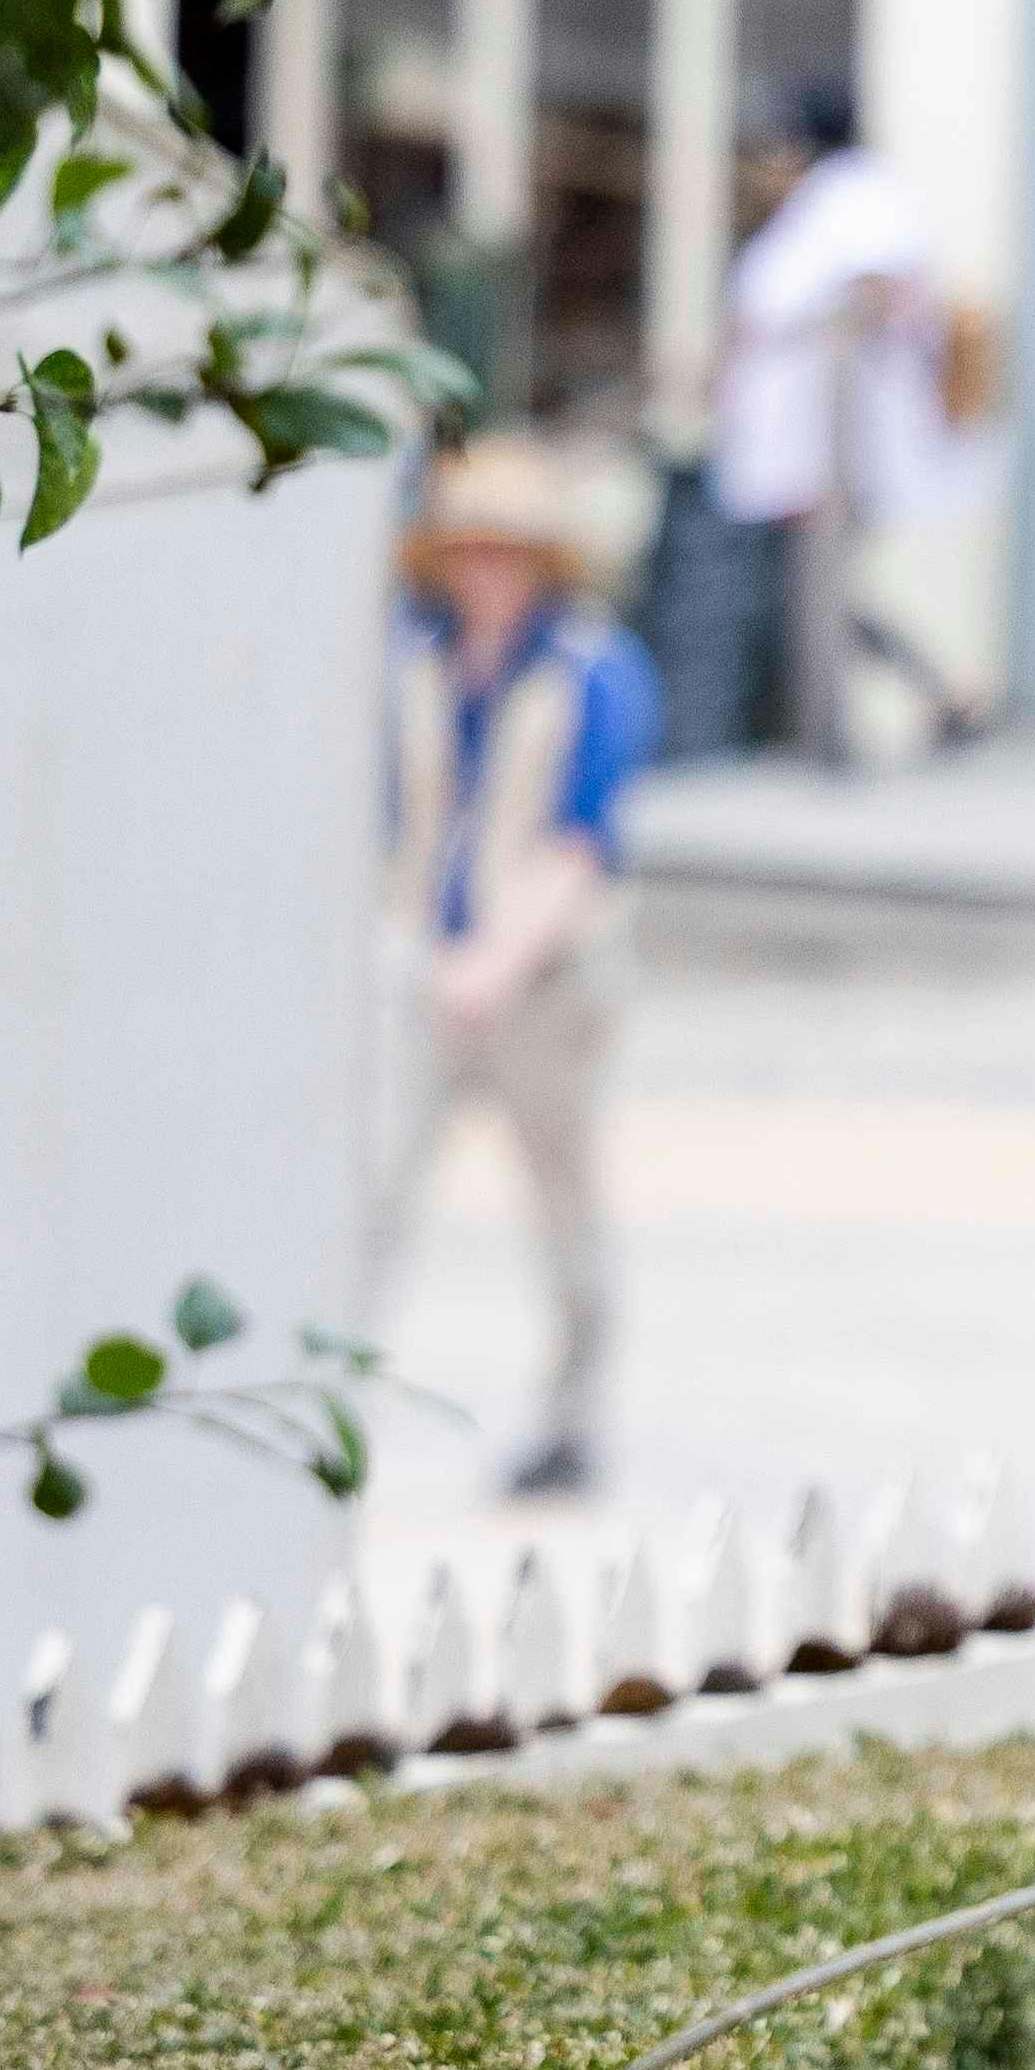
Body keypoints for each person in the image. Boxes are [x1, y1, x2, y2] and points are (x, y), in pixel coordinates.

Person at [387, 436, 658, 1497]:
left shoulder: (592, 670)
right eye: (470, 550)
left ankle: (572, 1411)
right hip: (424, 961)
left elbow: (581, 842)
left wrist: (495, 963)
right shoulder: (414, 660)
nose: (486, 572)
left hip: (547, 979)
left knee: (562, 1199)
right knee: (371, 1185)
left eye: (507, 551)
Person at [700, 79, 971, 771]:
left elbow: (883, 295)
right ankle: (930, 696)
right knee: (812, 586)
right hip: (791, 442)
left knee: (821, 584)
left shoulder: (860, 201)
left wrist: (810, 335)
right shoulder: (813, 212)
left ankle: (862, 722)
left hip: (837, 442)